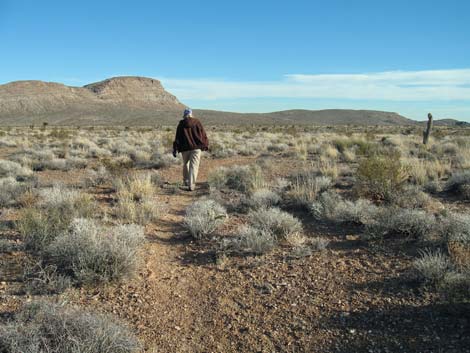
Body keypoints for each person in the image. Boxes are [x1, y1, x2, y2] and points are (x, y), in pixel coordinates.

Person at [172, 108, 209, 191]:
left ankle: (186, 181)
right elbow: (203, 134)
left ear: (184, 115)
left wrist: (175, 148)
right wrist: (205, 144)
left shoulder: (181, 124)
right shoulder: (197, 122)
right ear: (191, 114)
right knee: (194, 166)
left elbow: (177, 137)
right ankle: (191, 184)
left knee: (186, 164)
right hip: (196, 148)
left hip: (185, 149)